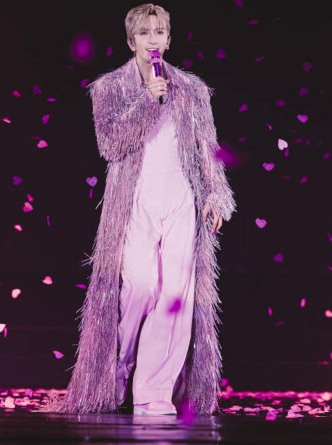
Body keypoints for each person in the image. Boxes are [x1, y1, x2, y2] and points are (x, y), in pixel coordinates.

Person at [41, 3, 235, 416]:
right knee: (139, 287)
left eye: (159, 32)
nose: (153, 40)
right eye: (145, 33)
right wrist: (149, 100)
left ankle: (153, 393)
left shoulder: (192, 90)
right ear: (131, 42)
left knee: (174, 297)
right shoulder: (109, 88)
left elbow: (208, 150)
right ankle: (117, 372)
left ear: (169, 39)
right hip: (135, 201)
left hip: (181, 200)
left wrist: (216, 197)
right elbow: (110, 145)